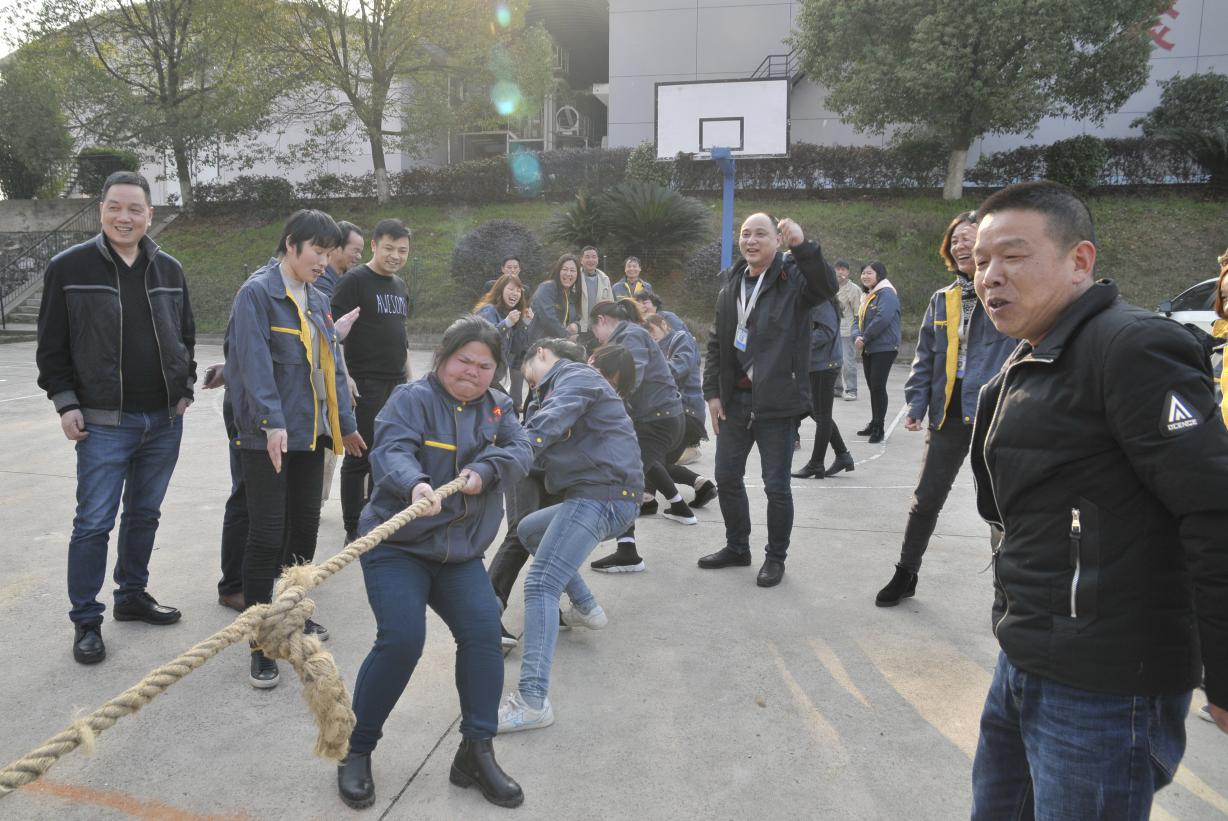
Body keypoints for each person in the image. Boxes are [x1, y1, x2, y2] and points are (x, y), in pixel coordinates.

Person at [965, 181, 1228, 820]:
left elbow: (1213, 509)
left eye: (1013, 257)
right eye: (979, 261)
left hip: (1106, 687)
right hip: (1027, 657)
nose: (990, 277)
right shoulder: (1031, 358)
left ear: (1080, 261)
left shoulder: (1131, 347)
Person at [337, 316, 533, 810]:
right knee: (403, 640)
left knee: (485, 634)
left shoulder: (498, 407)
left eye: (483, 365)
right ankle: (355, 750)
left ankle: (475, 750)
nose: (471, 371)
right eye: (463, 360)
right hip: (398, 546)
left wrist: (486, 469)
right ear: (443, 358)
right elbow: (392, 451)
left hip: (459, 552)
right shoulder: (411, 399)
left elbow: (521, 450)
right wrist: (415, 485)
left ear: (496, 371)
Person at [36, 170, 196, 665]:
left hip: (163, 419)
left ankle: (131, 596)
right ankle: (87, 619)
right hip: (104, 422)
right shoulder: (69, 268)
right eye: (115, 208)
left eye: (135, 209)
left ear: (150, 214)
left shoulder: (168, 269)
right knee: (94, 523)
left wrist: (185, 388)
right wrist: (66, 402)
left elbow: (185, 335)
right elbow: (52, 348)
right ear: (100, 211)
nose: (124, 217)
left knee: (144, 515)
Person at [225, 209, 364, 687]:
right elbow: (252, 364)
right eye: (318, 252)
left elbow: (333, 367)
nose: (325, 261)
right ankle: (262, 641)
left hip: (312, 435)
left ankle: (293, 616)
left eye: (330, 253)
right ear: (291, 245)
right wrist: (271, 422)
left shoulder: (318, 299)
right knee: (266, 533)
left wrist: (345, 424)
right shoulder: (257, 294)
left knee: (304, 532)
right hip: (267, 437)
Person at [496, 338, 642, 733]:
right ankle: (587, 608)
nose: (530, 384)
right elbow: (538, 442)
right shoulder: (572, 385)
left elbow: (547, 424)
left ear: (540, 353)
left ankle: (532, 700)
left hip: (603, 495)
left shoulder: (575, 375)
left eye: (528, 373)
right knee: (528, 530)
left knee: (541, 583)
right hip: (601, 495)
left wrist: (506, 455)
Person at [875, 212, 1015, 606]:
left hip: (995, 414)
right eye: (955, 240)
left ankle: (1004, 591)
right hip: (948, 414)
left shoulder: (1004, 293)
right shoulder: (943, 299)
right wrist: (917, 402)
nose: (960, 245)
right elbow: (925, 356)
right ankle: (906, 573)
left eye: (968, 238)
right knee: (926, 498)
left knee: (1000, 505)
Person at [699, 213, 837, 588]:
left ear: (777, 240)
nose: (751, 240)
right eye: (745, 234)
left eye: (760, 233)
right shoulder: (731, 283)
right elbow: (717, 341)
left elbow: (826, 287)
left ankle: (775, 558)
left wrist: (804, 248)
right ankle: (737, 546)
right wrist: (711, 392)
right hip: (736, 401)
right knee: (726, 476)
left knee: (776, 486)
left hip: (777, 403)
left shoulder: (792, 278)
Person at [587, 298, 695, 573]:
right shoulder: (630, 335)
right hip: (656, 419)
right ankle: (681, 508)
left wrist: (601, 401)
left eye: (594, 332)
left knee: (622, 477)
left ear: (601, 320)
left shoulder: (631, 336)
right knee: (638, 466)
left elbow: (629, 377)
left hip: (659, 421)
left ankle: (628, 553)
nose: (596, 339)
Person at [331, 218, 413, 543]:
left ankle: (376, 515)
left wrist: (409, 379)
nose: (395, 255)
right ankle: (353, 527)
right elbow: (331, 333)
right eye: (389, 248)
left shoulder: (400, 286)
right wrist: (345, 377)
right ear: (375, 246)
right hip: (363, 382)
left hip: (396, 383)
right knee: (359, 456)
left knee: (387, 453)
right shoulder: (354, 281)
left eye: (402, 250)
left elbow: (401, 336)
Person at [643, 313, 717, 506]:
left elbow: (679, 367)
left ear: (663, 324)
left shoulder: (680, 338)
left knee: (651, 457)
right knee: (657, 461)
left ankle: (648, 499)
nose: (650, 336)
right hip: (674, 412)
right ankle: (702, 484)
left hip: (684, 411)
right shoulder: (656, 348)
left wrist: (647, 372)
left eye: (651, 330)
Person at [790, 294, 855, 479]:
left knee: (821, 414)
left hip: (824, 364)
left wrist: (798, 344)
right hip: (816, 363)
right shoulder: (812, 299)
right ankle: (842, 455)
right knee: (816, 411)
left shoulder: (820, 299)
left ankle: (817, 464)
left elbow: (826, 332)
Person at [852, 261, 900, 444]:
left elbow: (883, 318)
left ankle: (879, 427)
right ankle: (874, 422)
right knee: (873, 387)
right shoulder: (867, 295)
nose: (865, 276)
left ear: (879, 275)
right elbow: (858, 319)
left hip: (884, 347)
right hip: (869, 347)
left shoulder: (886, 293)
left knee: (878, 387)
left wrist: (864, 337)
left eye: (869, 273)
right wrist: (857, 335)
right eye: (863, 273)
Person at [474, 272, 533, 391]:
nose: (515, 293)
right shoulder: (489, 310)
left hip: (494, 376)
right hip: (479, 374)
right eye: (510, 289)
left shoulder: (510, 315)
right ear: (500, 290)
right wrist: (506, 324)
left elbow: (516, 348)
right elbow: (485, 337)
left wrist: (525, 324)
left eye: (518, 291)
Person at [529, 254, 582, 342]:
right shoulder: (547, 288)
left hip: (560, 346)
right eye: (565, 269)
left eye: (572, 270)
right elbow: (548, 318)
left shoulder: (572, 295)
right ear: (558, 271)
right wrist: (567, 337)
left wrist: (576, 325)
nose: (568, 273)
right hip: (541, 345)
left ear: (577, 275)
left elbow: (578, 318)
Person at [575, 245, 615, 348]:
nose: (591, 260)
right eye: (587, 257)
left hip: (599, 327)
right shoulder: (575, 277)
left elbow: (611, 304)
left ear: (597, 259)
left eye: (594, 257)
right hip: (579, 327)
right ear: (581, 260)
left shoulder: (605, 279)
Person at [315, 220, 364, 301]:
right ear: (336, 248)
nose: (359, 257)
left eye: (360, 252)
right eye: (356, 251)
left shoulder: (353, 279)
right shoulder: (319, 278)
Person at [834, 259, 861, 400]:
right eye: (838, 269)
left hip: (847, 331)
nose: (840, 272)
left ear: (848, 272)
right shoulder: (829, 286)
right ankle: (837, 389)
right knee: (833, 361)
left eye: (843, 269)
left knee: (847, 362)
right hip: (832, 331)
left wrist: (857, 332)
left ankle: (851, 390)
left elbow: (859, 313)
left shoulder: (854, 289)